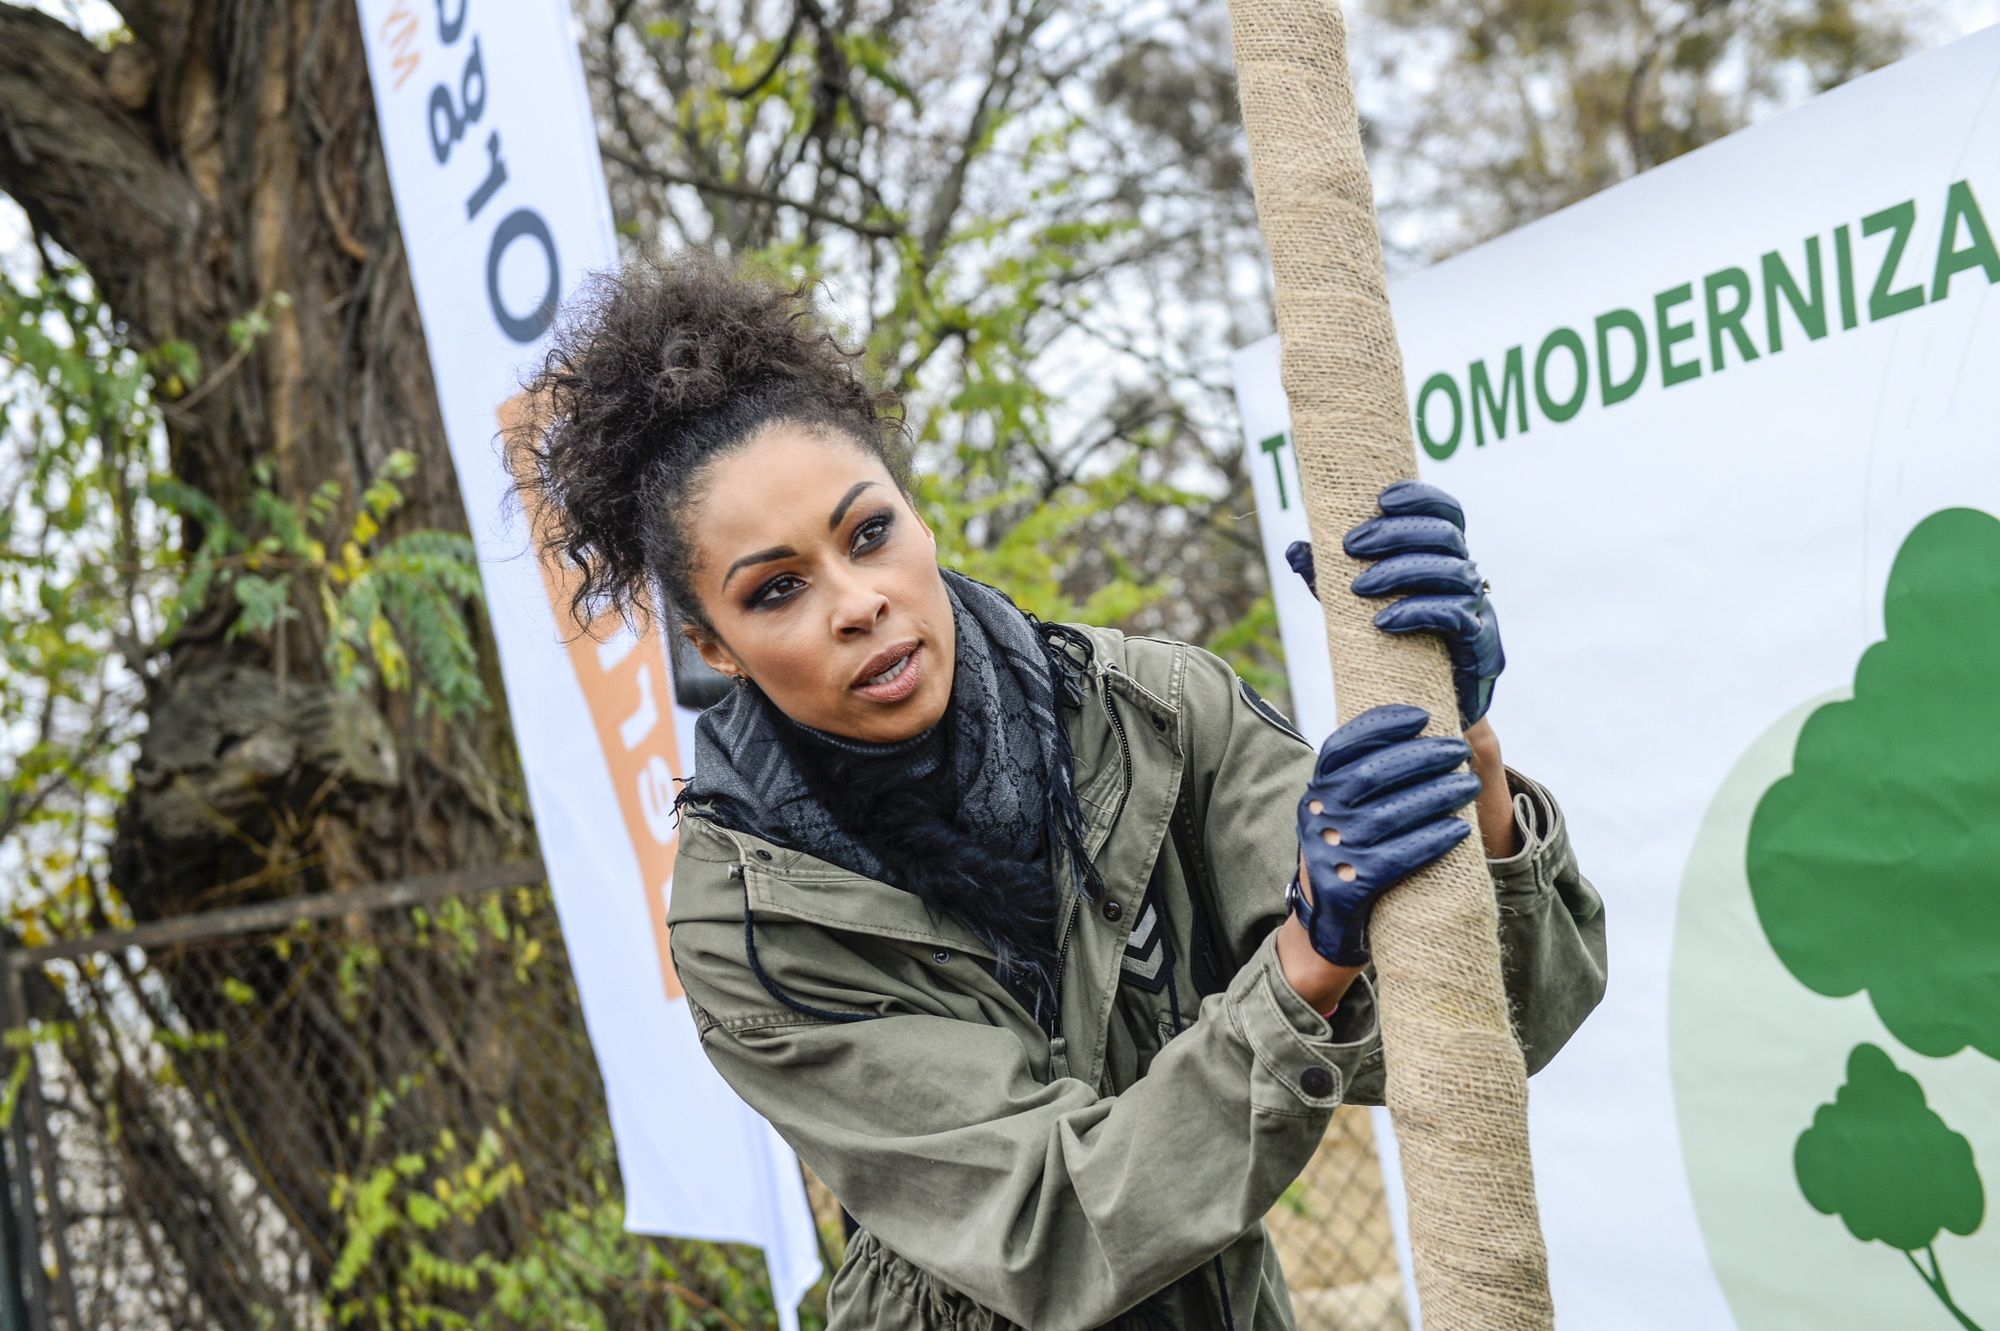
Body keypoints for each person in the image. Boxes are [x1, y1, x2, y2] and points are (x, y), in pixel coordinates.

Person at [512, 250, 1607, 1331]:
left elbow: (1509, 1013)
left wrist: (1457, 741)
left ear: (917, 514)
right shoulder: (748, 919)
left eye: (870, 533)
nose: (858, 602)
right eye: (779, 588)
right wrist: (1304, 955)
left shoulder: (1155, 715)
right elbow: (1053, 1229)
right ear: (717, 644)